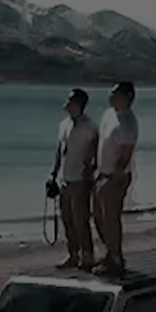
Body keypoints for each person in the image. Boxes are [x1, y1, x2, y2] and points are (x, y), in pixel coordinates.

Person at [47, 88, 98, 271]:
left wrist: (89, 172)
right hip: (64, 179)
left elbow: (95, 151)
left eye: (70, 101)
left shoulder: (89, 127)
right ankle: (73, 254)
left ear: (79, 104)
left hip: (79, 179)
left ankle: (87, 256)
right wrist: (53, 174)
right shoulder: (64, 124)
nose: (67, 105)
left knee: (80, 220)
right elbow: (60, 151)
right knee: (67, 219)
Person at [92, 82, 139, 277]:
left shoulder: (128, 123)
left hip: (114, 178)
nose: (111, 97)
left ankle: (116, 259)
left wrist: (114, 177)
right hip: (101, 174)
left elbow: (126, 154)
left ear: (127, 98)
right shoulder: (109, 115)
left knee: (110, 219)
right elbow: (101, 141)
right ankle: (109, 253)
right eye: (111, 94)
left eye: (115, 94)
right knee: (98, 217)